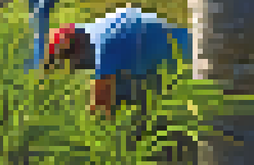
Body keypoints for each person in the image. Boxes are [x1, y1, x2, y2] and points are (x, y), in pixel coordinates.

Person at [45, 7, 192, 117]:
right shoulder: (100, 26)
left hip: (189, 68)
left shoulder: (104, 46)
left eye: (66, 61)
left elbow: (99, 109)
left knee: (118, 96)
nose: (73, 69)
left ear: (76, 52)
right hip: (189, 42)